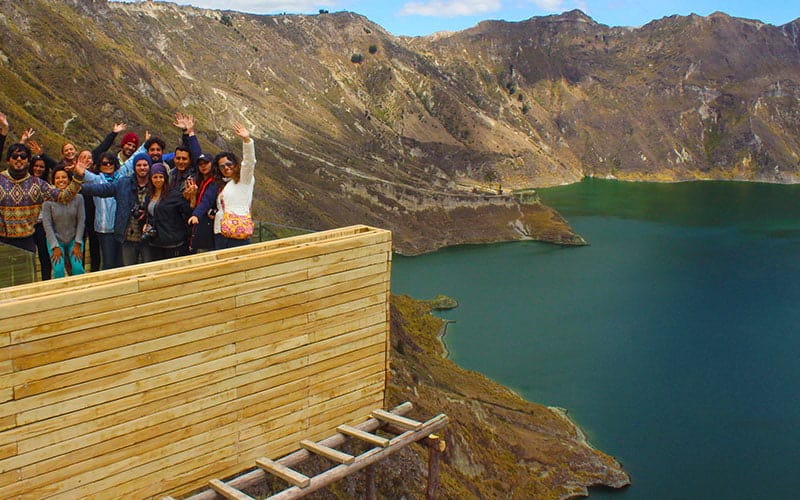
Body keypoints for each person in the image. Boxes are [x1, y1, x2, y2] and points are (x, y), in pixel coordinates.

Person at [0, 143, 84, 252]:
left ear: (28, 161)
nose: (19, 159)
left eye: (23, 156)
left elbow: (63, 197)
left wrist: (78, 176)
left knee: (28, 269)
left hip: (27, 241)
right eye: (15, 156)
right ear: (8, 160)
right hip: (2, 242)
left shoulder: (38, 184)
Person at [77, 152, 153, 266]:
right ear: (134, 167)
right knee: (126, 270)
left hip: (149, 237)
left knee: (149, 268)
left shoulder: (155, 184)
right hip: (127, 236)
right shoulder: (124, 183)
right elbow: (103, 189)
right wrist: (79, 188)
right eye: (139, 165)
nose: (142, 167)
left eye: (145, 165)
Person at [189, 123, 255, 250]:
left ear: (235, 164)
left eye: (229, 164)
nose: (226, 167)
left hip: (238, 231)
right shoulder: (219, 184)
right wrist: (196, 214)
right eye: (222, 166)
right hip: (220, 232)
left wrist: (247, 141)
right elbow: (206, 200)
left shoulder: (244, 179)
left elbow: (249, 162)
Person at [142, 162, 192, 261]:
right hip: (156, 242)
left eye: (161, 177)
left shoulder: (175, 195)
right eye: (155, 177)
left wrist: (192, 197)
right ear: (151, 178)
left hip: (173, 242)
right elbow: (151, 215)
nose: (158, 180)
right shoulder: (149, 195)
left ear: (165, 178)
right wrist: (146, 224)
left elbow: (188, 212)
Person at [41, 167, 85, 278]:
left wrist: (78, 242)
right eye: (57, 178)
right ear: (53, 181)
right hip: (56, 240)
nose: (61, 180)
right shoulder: (48, 200)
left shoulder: (78, 198)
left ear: (69, 180)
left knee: (77, 268)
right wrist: (55, 246)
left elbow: (81, 221)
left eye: (64, 177)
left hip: (74, 239)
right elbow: (47, 225)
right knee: (58, 270)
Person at [185, 153, 217, 253]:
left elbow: (206, 200)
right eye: (200, 164)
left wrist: (196, 215)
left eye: (206, 163)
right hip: (197, 227)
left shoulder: (214, 182)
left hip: (207, 226)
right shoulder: (199, 181)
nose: (203, 166)